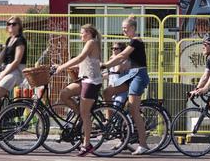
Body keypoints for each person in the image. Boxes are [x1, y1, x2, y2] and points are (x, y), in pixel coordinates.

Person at [102, 16, 150, 155]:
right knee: (107, 92)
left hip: (139, 76)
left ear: (133, 28)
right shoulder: (131, 41)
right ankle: (109, 123)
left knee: (133, 110)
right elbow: (121, 60)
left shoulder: (136, 41)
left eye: (126, 28)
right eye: (122, 28)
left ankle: (143, 144)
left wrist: (104, 65)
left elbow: (122, 56)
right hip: (131, 74)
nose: (123, 30)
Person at [54, 24, 102, 156]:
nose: (81, 35)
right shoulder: (89, 43)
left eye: (83, 33)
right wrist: (63, 66)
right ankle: (81, 117)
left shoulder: (92, 42)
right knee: (64, 94)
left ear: (90, 33)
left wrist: (62, 67)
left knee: (86, 113)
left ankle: (87, 145)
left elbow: (80, 57)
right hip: (84, 80)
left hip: (91, 82)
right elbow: (83, 62)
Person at [0, 16, 27, 130]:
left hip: (15, 72)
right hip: (7, 71)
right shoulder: (9, 40)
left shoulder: (20, 40)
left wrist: (1, 75)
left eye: (14, 24)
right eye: (9, 24)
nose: (10, 26)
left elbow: (16, 61)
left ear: (19, 26)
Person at [106, 42, 130, 107]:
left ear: (121, 50)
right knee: (109, 106)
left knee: (117, 107)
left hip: (121, 90)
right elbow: (110, 74)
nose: (113, 50)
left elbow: (117, 70)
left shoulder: (125, 61)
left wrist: (115, 58)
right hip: (112, 88)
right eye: (112, 48)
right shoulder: (112, 60)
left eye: (116, 48)